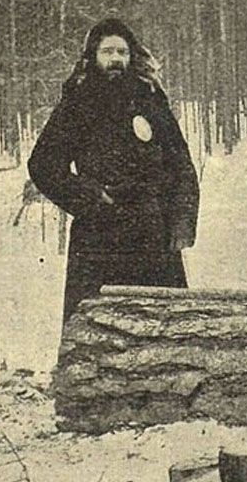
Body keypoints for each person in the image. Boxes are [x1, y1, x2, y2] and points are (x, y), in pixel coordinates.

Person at [28, 17, 199, 322]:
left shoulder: (150, 99)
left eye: (122, 52)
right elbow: (43, 164)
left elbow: (181, 165)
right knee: (97, 329)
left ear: (132, 57)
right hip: (99, 234)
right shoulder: (78, 103)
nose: (116, 59)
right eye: (108, 52)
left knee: (163, 325)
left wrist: (182, 220)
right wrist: (89, 195)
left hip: (152, 231)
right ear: (94, 56)